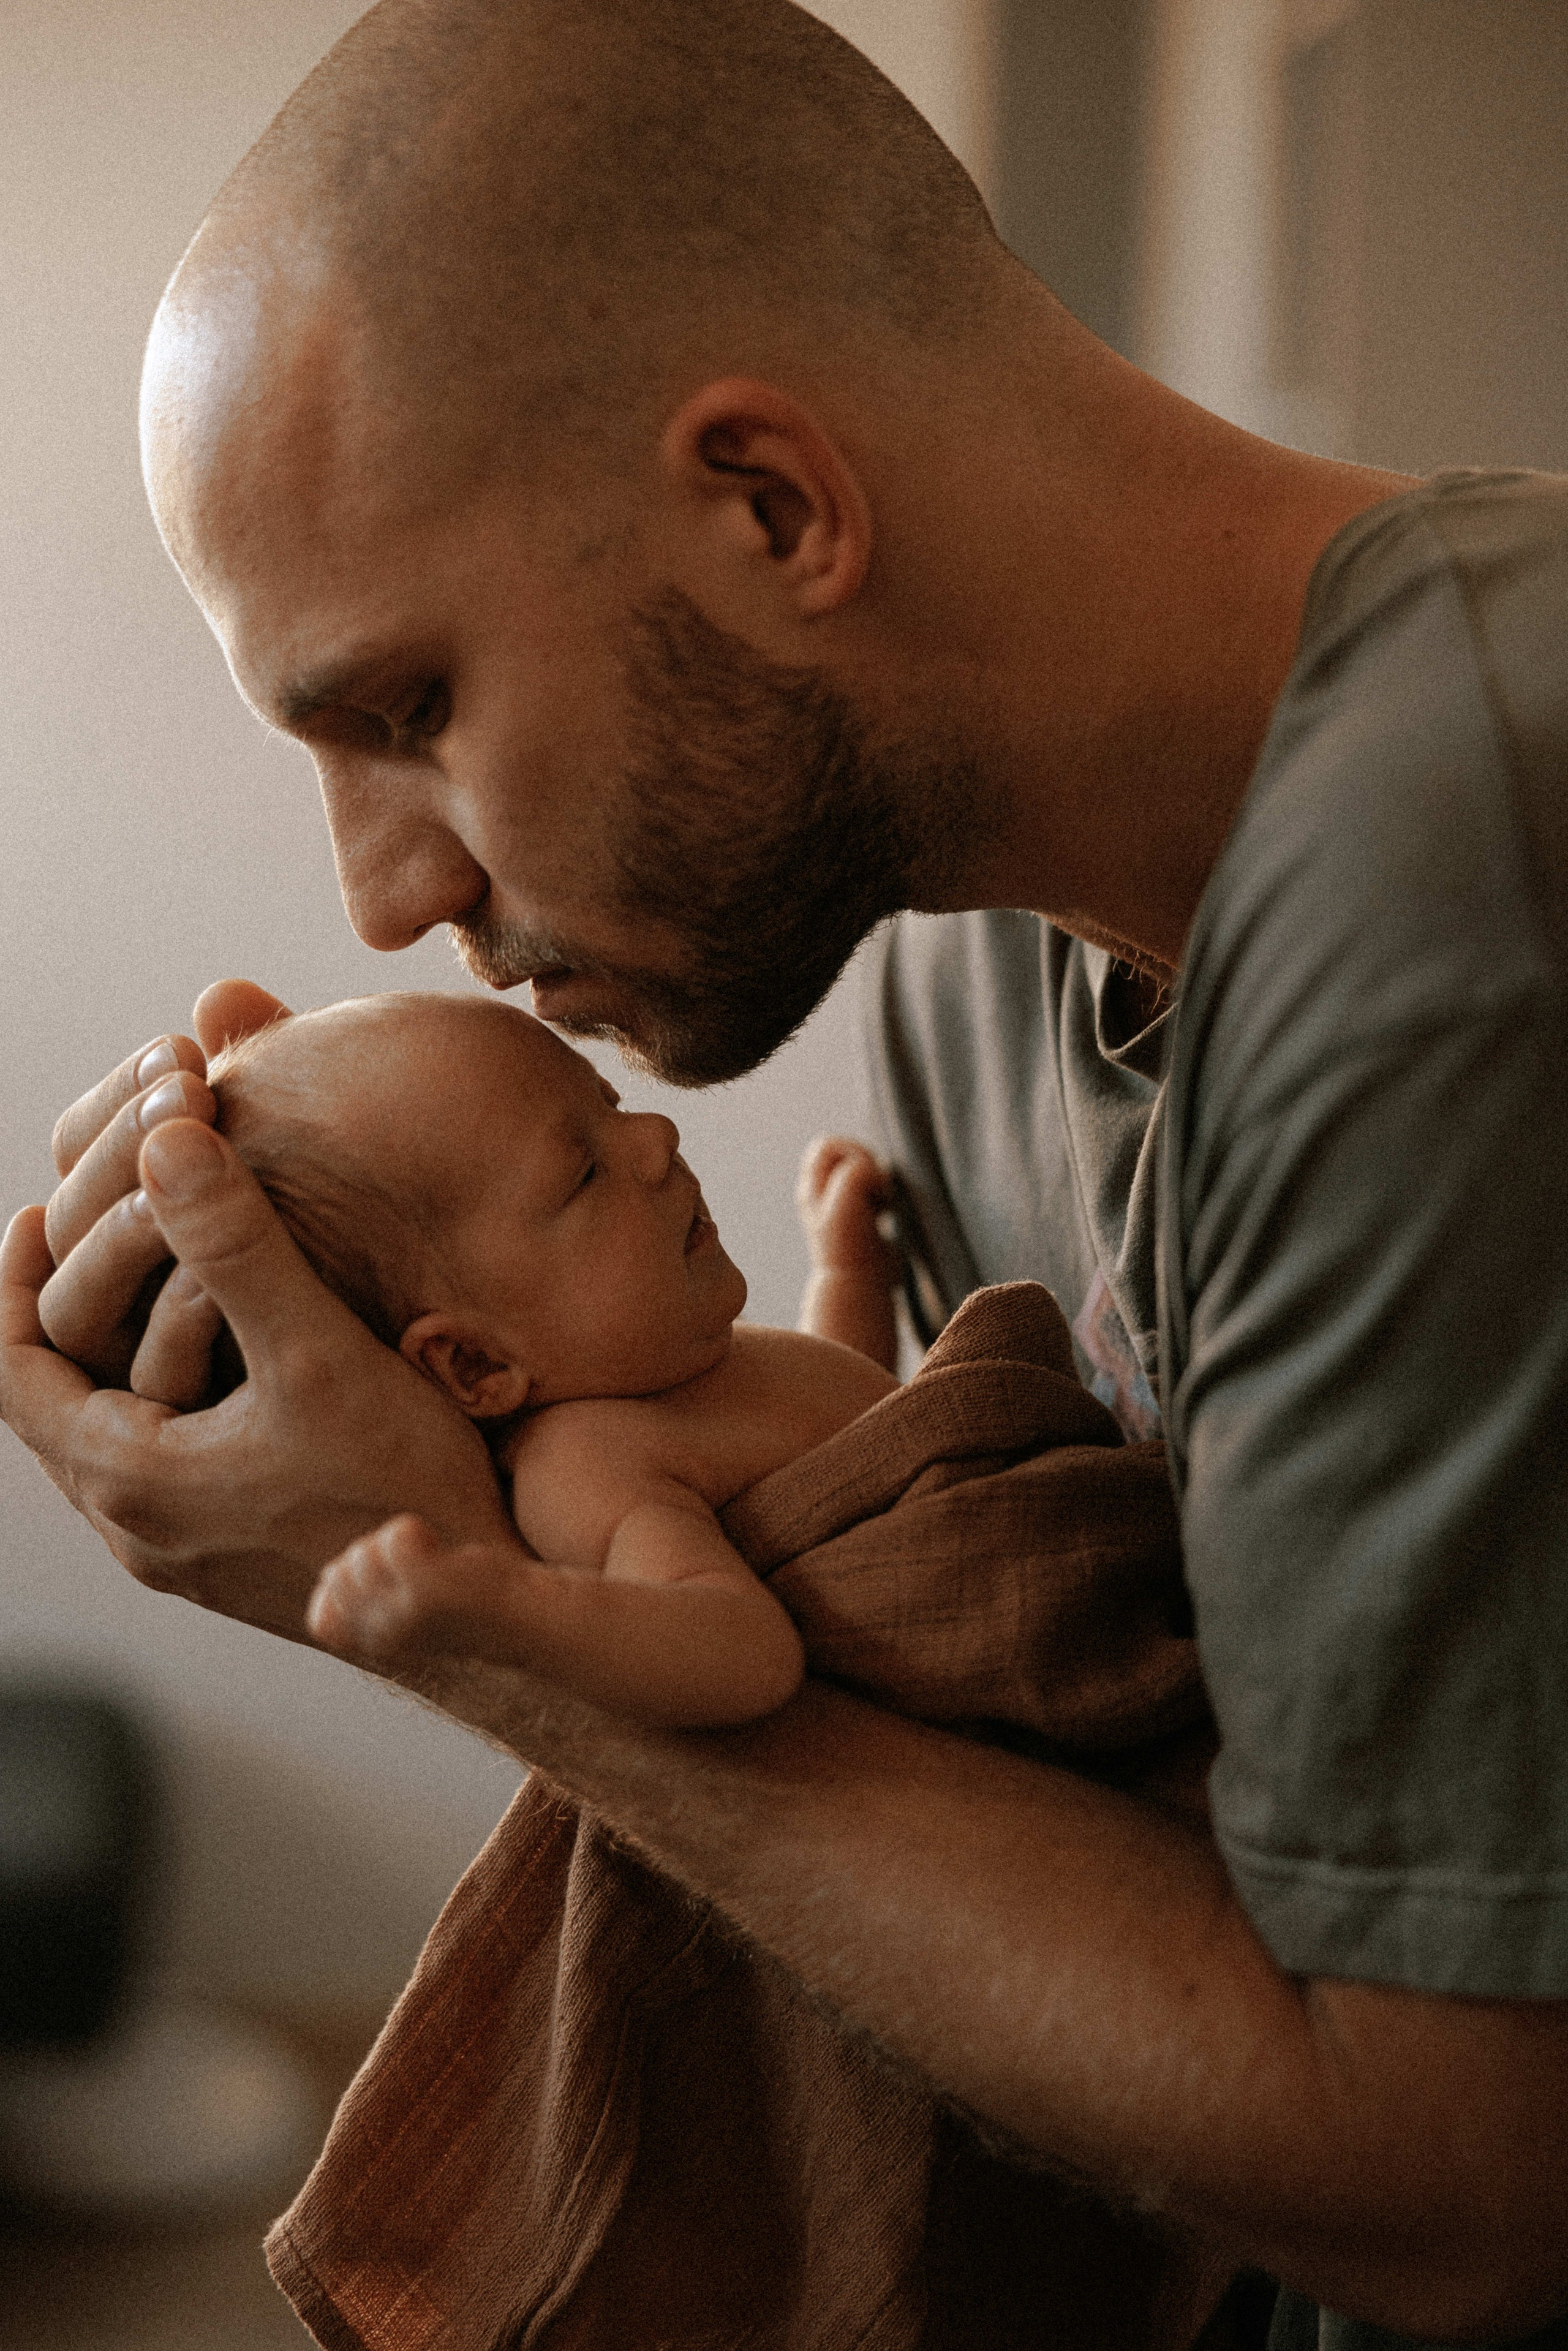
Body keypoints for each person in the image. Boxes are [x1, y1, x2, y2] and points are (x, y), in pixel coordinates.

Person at [3, 1, 1567, 2342]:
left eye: (406, 706)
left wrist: (423, 1580)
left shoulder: (1463, 861)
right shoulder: (961, 962)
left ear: (769, 504)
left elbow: (1462, 2189)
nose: (377, 895)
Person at [201, 988, 897, 1726]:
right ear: (473, 1363)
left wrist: (848, 1276)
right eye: (583, 1173)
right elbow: (742, 1650)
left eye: (611, 1102)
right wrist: (506, 1605)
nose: (656, 1136)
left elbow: (867, 1451)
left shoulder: (663, 1381)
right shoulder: (585, 1463)